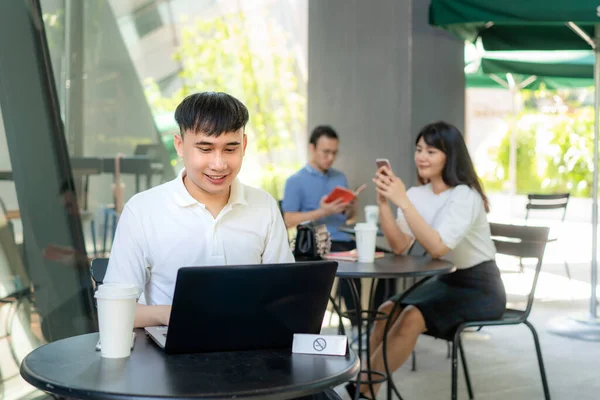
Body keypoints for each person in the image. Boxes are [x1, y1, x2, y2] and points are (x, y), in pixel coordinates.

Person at [103, 92, 295, 329]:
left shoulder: (264, 206)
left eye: (230, 149)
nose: (219, 164)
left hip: (252, 351)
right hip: (170, 356)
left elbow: (287, 296)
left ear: (243, 145)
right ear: (180, 146)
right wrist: (170, 314)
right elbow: (114, 309)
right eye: (205, 149)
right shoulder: (142, 211)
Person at [347, 121, 506, 399]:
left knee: (412, 316)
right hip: (445, 280)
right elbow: (399, 245)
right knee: (385, 310)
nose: (421, 156)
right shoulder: (417, 194)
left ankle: (361, 389)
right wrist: (385, 202)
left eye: (431, 151)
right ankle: (368, 391)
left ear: (450, 156)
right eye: (419, 149)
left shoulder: (465, 196)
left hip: (481, 286)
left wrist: (403, 203)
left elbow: (438, 248)